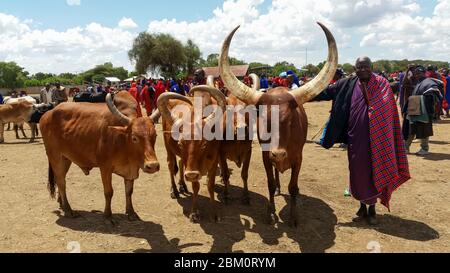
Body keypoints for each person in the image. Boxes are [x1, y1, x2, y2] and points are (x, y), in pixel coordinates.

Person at [315, 56, 410, 225]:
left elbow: (384, 112)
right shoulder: (347, 84)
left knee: (374, 170)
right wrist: (297, 96)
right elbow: (325, 93)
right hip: (355, 140)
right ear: (355, 68)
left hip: (379, 141)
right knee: (358, 172)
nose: (363, 70)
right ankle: (361, 206)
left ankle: (372, 209)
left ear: (371, 67)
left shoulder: (382, 85)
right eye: (359, 67)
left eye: (366, 66)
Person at [405, 65, 443, 155]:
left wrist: (425, 99)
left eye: (419, 73)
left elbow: (434, 91)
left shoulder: (429, 82)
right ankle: (406, 147)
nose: (417, 75)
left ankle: (424, 149)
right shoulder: (418, 82)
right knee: (411, 128)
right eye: (416, 73)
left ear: (424, 73)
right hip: (414, 108)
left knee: (424, 129)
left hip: (425, 110)